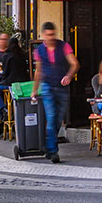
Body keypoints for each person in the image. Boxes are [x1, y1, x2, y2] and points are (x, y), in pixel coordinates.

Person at [33, 22, 79, 163]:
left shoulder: (64, 46)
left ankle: (48, 145)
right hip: (47, 86)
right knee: (52, 117)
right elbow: (38, 71)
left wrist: (69, 75)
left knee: (59, 118)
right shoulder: (39, 50)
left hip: (62, 86)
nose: (51, 37)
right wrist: (34, 90)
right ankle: (53, 151)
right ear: (43, 35)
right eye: (48, 35)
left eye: (53, 34)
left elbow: (75, 64)